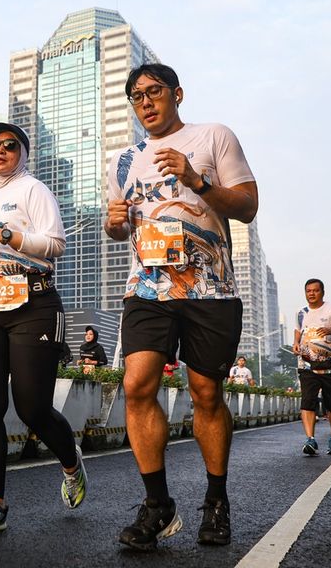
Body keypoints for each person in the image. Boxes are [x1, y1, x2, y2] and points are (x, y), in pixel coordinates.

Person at [104, 63, 258, 549]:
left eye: (154, 92)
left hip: (210, 288)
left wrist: (197, 181)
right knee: (137, 384)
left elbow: (248, 206)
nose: (145, 102)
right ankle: (157, 505)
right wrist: (113, 222)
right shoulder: (124, 161)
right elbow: (118, 228)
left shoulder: (214, 137)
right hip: (149, 287)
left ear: (177, 94)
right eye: (136, 96)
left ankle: (216, 501)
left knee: (207, 394)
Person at [0, 122, 87, 537]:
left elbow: (54, 246)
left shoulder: (33, 190)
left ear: (23, 153)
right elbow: (2, 256)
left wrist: (2, 232)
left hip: (35, 305)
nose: (0, 150)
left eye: (10, 145)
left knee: (32, 408)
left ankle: (71, 463)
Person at [292, 278, 331, 456]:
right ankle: (310, 439)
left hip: (330, 366)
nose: (311, 293)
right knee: (307, 402)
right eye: (308, 290)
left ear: (322, 292)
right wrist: (295, 343)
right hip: (307, 364)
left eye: (315, 290)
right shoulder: (300, 312)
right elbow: (298, 330)